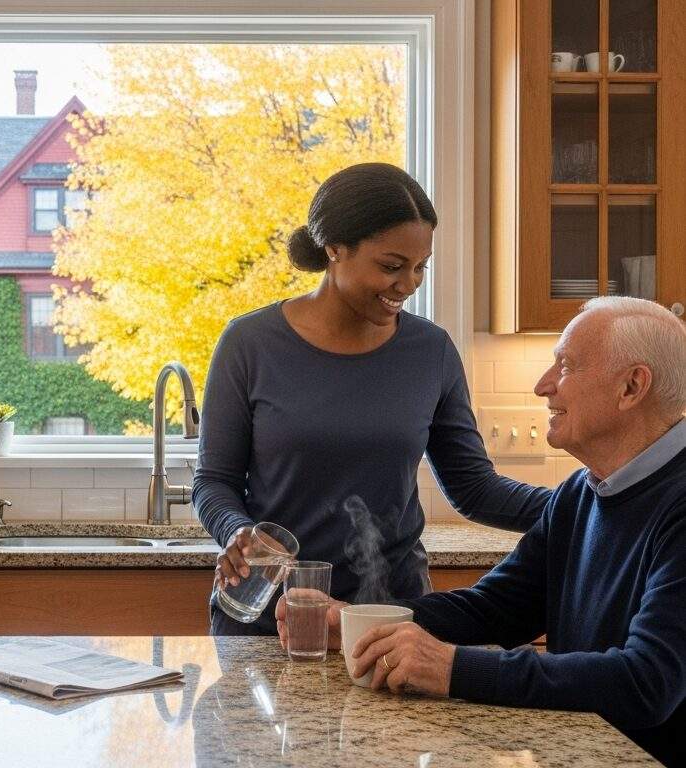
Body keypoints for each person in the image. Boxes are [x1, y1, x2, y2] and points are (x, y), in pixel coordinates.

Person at [276, 296, 686, 766]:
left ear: (631, 386)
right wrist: (364, 624)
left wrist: (451, 668)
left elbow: (646, 683)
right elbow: (497, 608)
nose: (543, 386)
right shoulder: (582, 491)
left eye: (565, 366)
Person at [193, 162, 552, 637]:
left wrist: (583, 504)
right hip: (268, 616)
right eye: (391, 266)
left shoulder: (431, 351)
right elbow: (214, 482)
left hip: (389, 617)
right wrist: (236, 531)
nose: (409, 284)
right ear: (334, 248)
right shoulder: (249, 344)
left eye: (421, 267)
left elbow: (474, 488)